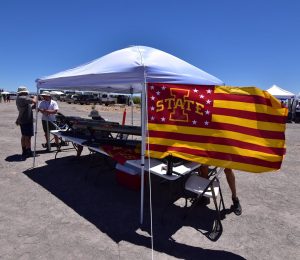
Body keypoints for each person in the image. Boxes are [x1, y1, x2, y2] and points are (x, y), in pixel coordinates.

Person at [15, 86, 37, 158]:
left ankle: (24, 151)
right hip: (26, 120)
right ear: (24, 92)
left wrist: (32, 107)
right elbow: (34, 101)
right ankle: (29, 152)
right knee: (28, 137)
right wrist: (35, 97)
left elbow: (27, 107)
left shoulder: (19, 98)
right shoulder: (23, 98)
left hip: (22, 119)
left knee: (24, 136)